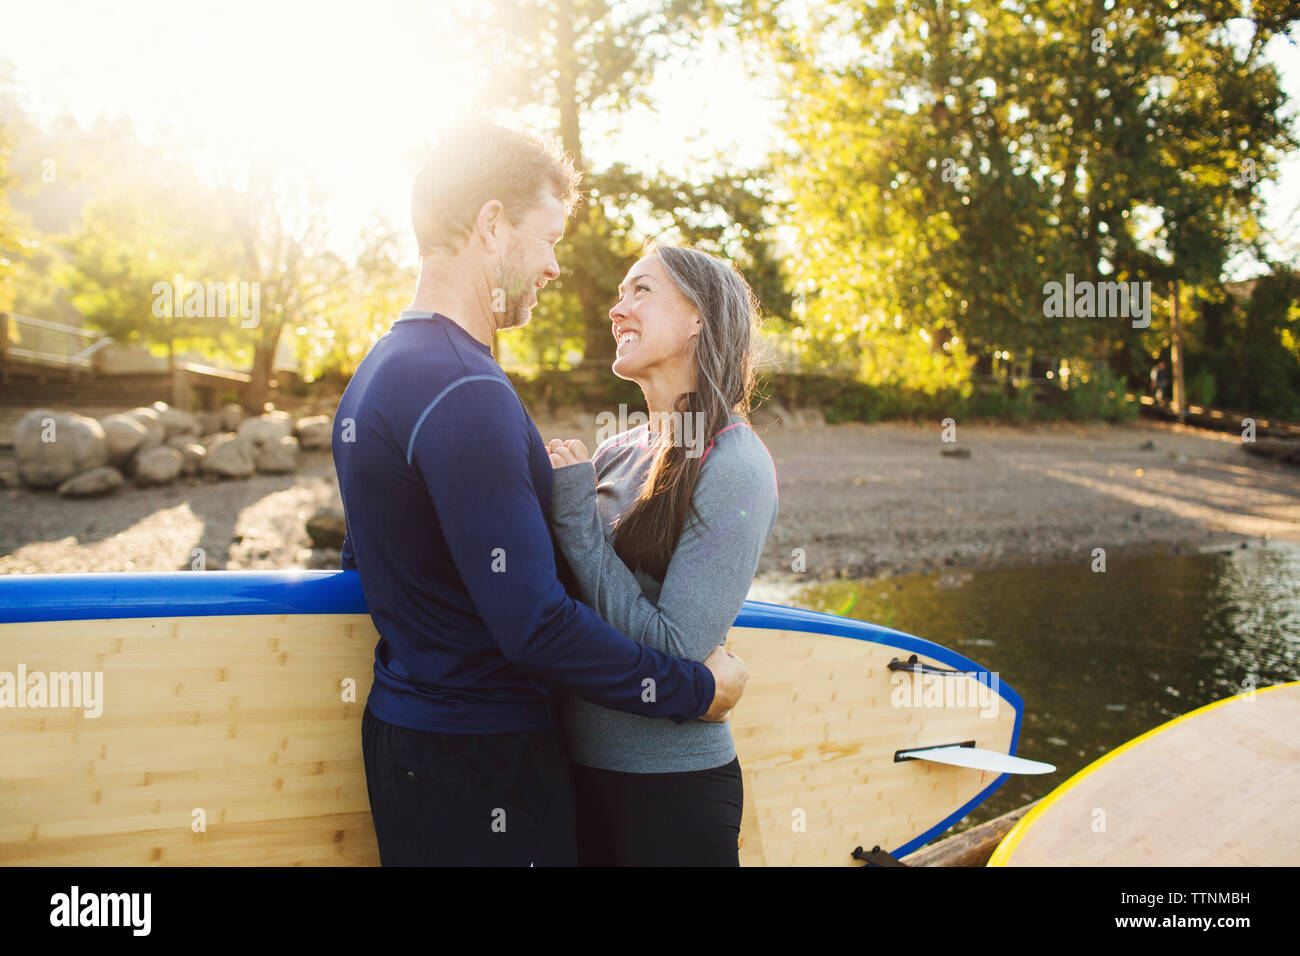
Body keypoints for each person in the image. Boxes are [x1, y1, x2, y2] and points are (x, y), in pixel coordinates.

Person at [332, 121, 749, 867]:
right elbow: (533, 624)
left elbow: (367, 555)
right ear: (493, 225)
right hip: (481, 763)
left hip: (412, 744)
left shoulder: (384, 370)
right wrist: (692, 689)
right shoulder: (464, 389)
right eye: (550, 238)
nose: (557, 266)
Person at [545, 241, 779, 866]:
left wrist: (574, 520)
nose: (617, 309)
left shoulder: (735, 464)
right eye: (619, 295)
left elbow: (675, 652)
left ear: (699, 317)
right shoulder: (617, 451)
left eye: (640, 290)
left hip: (671, 795)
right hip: (575, 772)